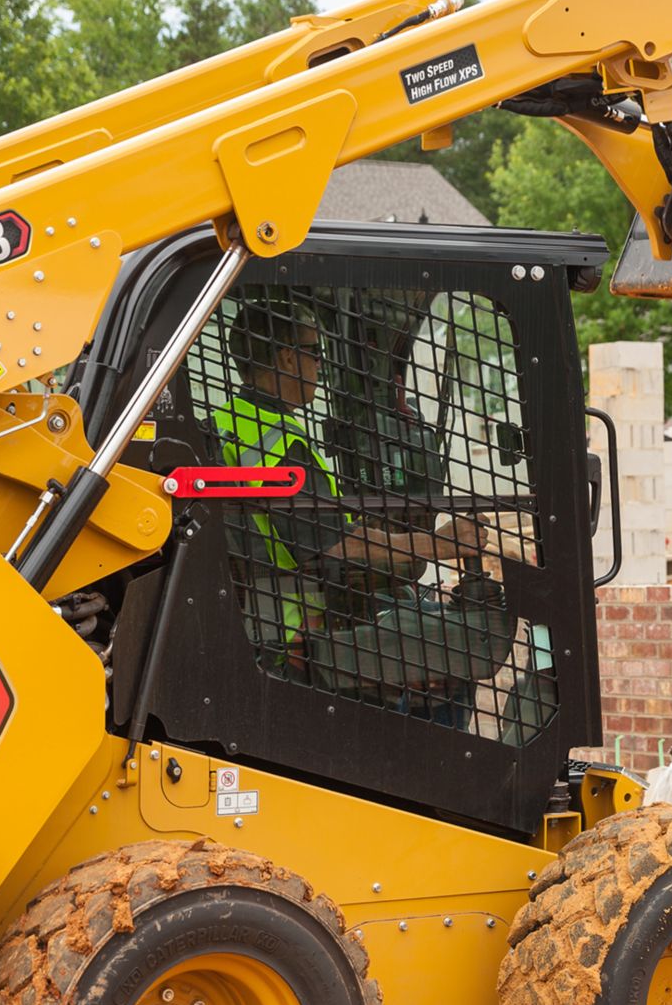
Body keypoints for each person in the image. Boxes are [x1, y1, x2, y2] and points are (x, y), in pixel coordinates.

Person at [209, 298, 514, 725]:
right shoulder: (278, 444)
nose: (320, 365)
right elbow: (334, 544)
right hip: (298, 628)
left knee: (413, 610)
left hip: (267, 615)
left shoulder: (231, 422)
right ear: (286, 357)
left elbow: (306, 528)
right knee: (455, 649)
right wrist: (440, 543)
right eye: (315, 352)